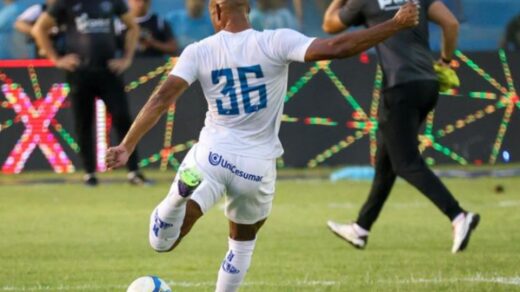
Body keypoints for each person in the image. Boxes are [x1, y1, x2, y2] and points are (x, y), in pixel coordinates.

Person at [106, 0, 419, 290]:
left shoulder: (199, 51)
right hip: (255, 167)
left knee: (163, 243)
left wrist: (127, 145)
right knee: (242, 242)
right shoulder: (276, 41)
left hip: (212, 155)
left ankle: (176, 198)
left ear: (215, 11)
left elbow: (162, 98)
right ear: (248, 10)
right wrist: (395, 23)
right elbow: (337, 47)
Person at [323, 0, 479, 253]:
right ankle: (361, 228)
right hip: (427, 84)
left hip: (399, 86)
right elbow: (451, 23)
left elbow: (329, 26)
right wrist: (446, 62)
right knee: (387, 161)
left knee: (405, 163)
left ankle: (459, 216)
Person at [32, 0, 150, 186]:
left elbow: (132, 27)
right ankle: (89, 174)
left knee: (122, 118)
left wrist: (126, 59)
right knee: (83, 123)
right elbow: (39, 29)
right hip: (80, 72)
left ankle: (134, 171)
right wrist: (56, 59)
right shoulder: (65, 3)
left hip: (109, 71)